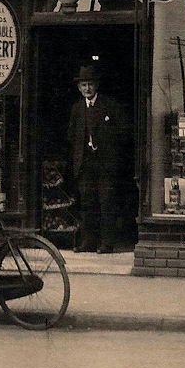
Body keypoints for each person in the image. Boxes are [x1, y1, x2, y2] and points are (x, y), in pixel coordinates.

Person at [67, 64, 130, 254]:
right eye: (84, 85)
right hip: (85, 164)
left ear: (97, 86)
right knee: (87, 204)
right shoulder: (77, 109)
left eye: (90, 84)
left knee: (106, 203)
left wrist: (111, 155)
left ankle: (106, 243)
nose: (87, 88)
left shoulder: (109, 106)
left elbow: (122, 134)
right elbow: (71, 135)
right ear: (79, 88)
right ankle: (88, 242)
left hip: (105, 165)